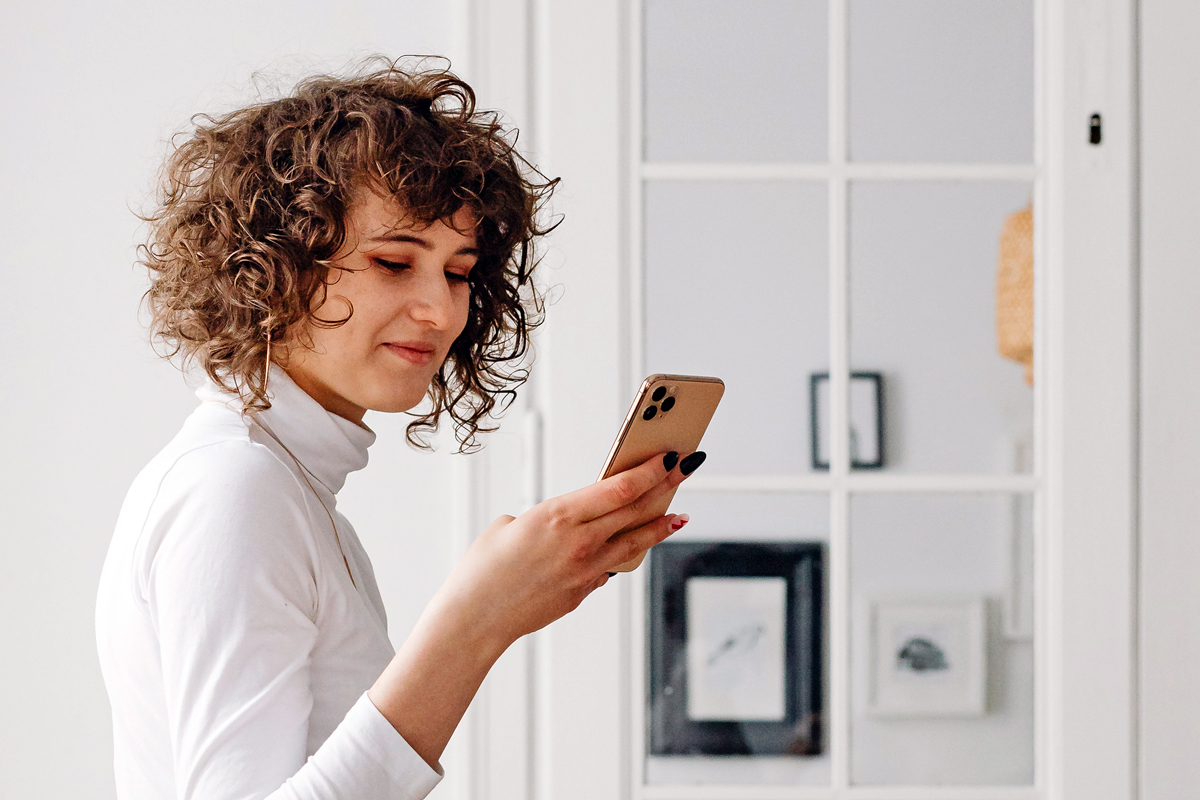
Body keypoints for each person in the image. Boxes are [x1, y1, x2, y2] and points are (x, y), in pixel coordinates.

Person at [95, 59, 706, 800]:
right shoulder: (234, 487)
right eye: (393, 262)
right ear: (273, 263)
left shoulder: (288, 490)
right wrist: (477, 620)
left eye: (457, 272)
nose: (442, 312)